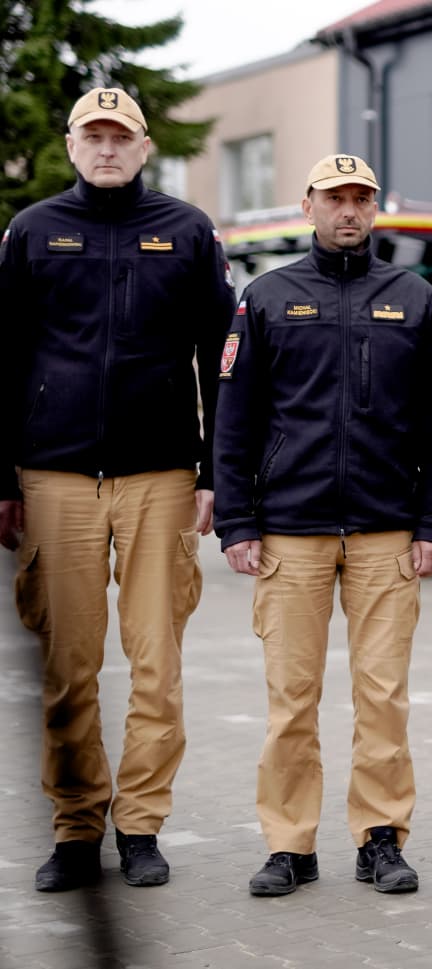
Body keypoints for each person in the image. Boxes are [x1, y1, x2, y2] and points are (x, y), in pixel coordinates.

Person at [0, 88, 234, 892]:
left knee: (155, 664)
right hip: (53, 476)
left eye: (120, 137)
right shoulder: (32, 231)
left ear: (143, 148)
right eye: (93, 136)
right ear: (72, 145)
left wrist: (216, 473)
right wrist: (4, 478)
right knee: (68, 668)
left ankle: (140, 826)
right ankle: (75, 827)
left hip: (160, 474)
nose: (107, 149)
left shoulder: (188, 231)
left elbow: (220, 357)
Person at [213, 154, 432, 897]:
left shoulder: (412, 297)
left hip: (387, 531)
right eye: (333, 198)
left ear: (374, 209)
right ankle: (290, 845)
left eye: (360, 198)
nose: (347, 210)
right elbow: (235, 417)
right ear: (308, 205)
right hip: (291, 531)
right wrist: (237, 520)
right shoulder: (267, 296)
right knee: (292, 697)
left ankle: (380, 838)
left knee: (383, 696)